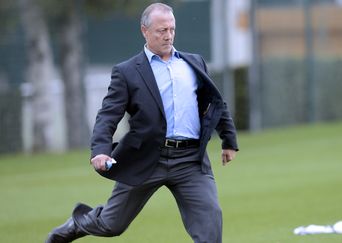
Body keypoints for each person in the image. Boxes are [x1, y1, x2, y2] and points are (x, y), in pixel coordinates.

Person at [45, 3, 238, 243]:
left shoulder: (193, 63)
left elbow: (215, 102)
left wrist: (229, 140)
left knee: (210, 226)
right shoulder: (127, 72)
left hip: (190, 161)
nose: (168, 35)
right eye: (161, 30)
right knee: (111, 225)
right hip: (147, 158)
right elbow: (108, 115)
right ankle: (77, 223)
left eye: (171, 29)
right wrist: (101, 151)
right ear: (144, 31)